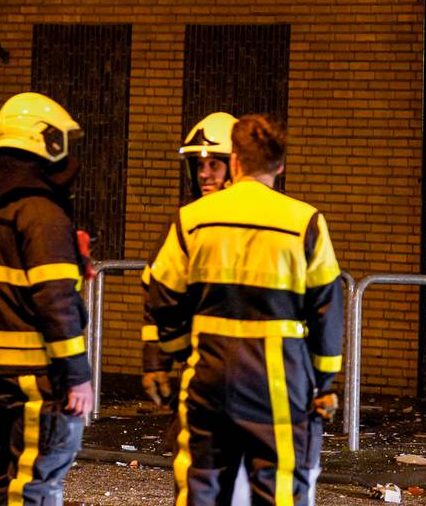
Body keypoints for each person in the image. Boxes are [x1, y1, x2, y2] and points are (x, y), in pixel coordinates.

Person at [145, 115, 343, 505]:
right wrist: (324, 383)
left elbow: (162, 296)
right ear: (280, 165)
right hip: (279, 384)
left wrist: (178, 353)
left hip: (207, 378)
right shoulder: (304, 222)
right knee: (280, 488)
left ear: (235, 162)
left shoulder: (192, 219)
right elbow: (327, 310)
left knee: (201, 485)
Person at [0, 92, 93, 505]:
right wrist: (77, 374)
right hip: (40, 381)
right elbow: (55, 301)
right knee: (34, 485)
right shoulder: (43, 215)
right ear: (48, 145)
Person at [141, 112, 238, 404]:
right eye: (199, 165)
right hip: (202, 363)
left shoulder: (254, 220)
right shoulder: (186, 223)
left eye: (214, 164)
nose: (204, 174)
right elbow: (158, 294)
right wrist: (156, 362)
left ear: (235, 166)